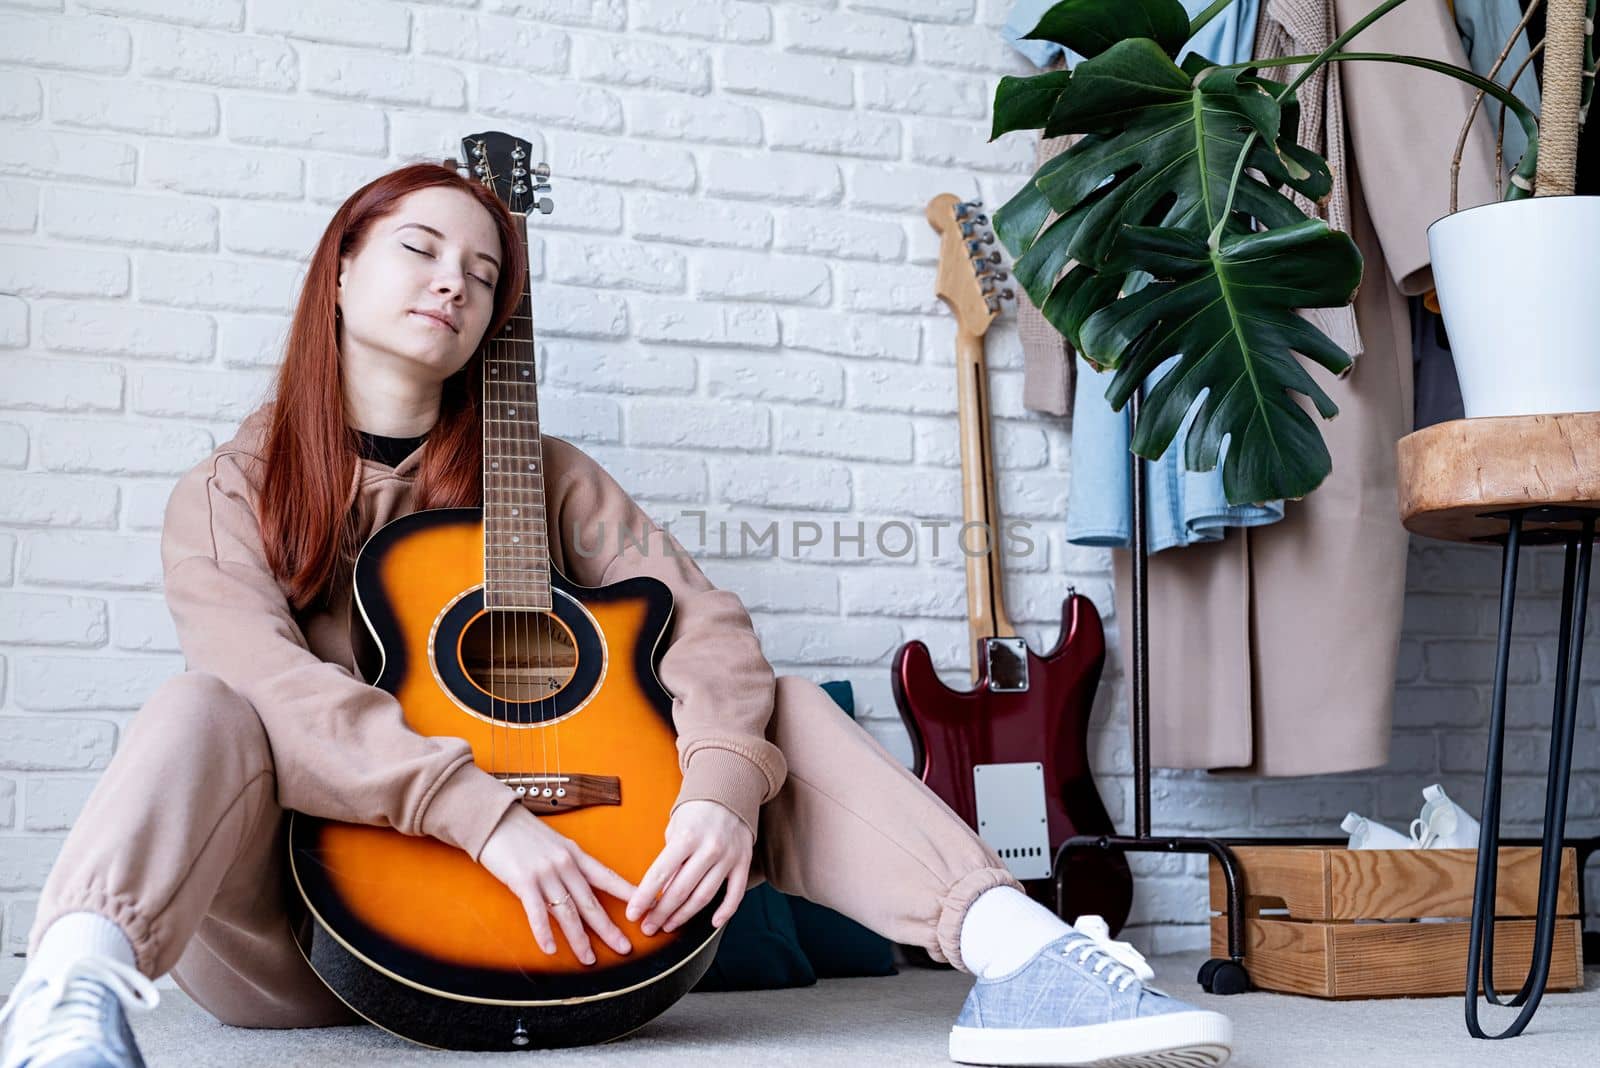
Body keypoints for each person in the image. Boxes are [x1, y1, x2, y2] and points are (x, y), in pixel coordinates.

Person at [0, 163, 1233, 1068]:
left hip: (599, 909)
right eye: (421, 250)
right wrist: (478, 817)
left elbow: (707, 628)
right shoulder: (229, 489)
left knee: (780, 708)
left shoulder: (550, 472)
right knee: (203, 702)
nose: (454, 284)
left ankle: (1018, 955)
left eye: (482, 274)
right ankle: (71, 1003)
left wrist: (715, 783)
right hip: (315, 930)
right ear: (340, 268)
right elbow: (265, 684)